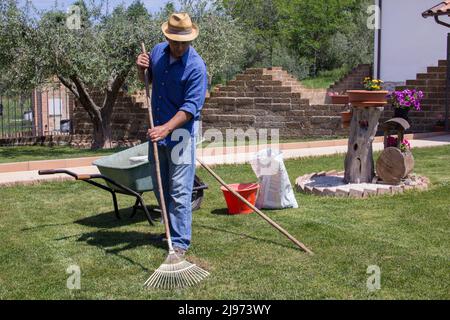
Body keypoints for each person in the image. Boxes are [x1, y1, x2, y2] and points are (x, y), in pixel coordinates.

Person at [136, 12, 207, 257]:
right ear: (167, 37)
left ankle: (180, 242)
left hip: (179, 137)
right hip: (157, 134)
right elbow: (147, 81)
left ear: (190, 39)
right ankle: (169, 231)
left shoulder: (196, 67)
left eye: (182, 42)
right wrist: (141, 69)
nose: (178, 46)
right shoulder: (157, 52)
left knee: (179, 189)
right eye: (174, 41)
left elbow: (190, 108)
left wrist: (165, 128)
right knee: (160, 187)